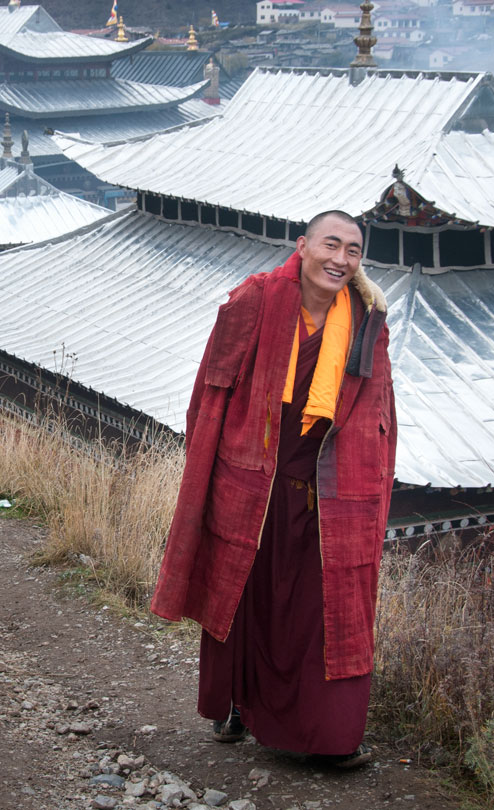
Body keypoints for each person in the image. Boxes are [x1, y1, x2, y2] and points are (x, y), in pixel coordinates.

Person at [150, 210, 396, 769]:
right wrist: (209, 468)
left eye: (353, 251)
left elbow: (377, 407)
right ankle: (236, 703)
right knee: (239, 595)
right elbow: (212, 393)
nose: (340, 259)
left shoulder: (365, 317)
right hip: (251, 481)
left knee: (324, 609)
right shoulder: (255, 300)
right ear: (303, 245)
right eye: (331, 244)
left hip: (324, 493)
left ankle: (326, 735)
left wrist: (367, 480)